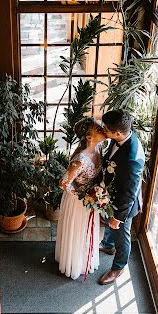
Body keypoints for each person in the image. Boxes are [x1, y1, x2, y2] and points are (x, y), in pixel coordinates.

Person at [55, 117, 107, 280]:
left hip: (91, 198)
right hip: (78, 201)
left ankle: (85, 258)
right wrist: (84, 197)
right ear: (89, 137)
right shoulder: (80, 160)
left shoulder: (99, 148)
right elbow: (63, 183)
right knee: (77, 231)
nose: (103, 129)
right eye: (98, 129)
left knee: (86, 231)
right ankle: (73, 262)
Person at [98, 109, 145, 285]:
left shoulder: (132, 158)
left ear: (117, 133)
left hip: (124, 205)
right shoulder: (121, 137)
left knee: (121, 235)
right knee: (109, 223)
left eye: (105, 129)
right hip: (112, 196)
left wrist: (119, 217)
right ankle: (108, 245)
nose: (103, 131)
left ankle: (118, 267)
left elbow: (130, 192)